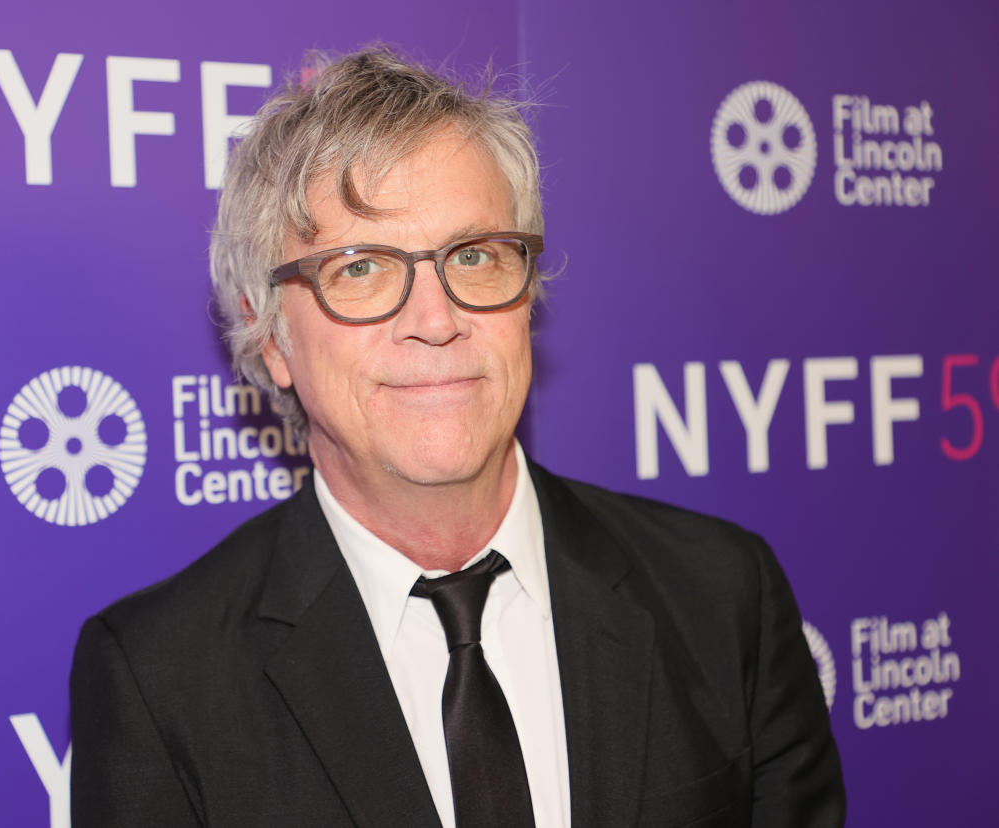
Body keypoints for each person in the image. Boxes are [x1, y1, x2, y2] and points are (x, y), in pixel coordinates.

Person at [69, 46, 846, 827]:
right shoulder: (158, 677)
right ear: (268, 335)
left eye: (473, 256)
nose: (436, 320)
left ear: (528, 293)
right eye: (361, 268)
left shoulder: (721, 595)